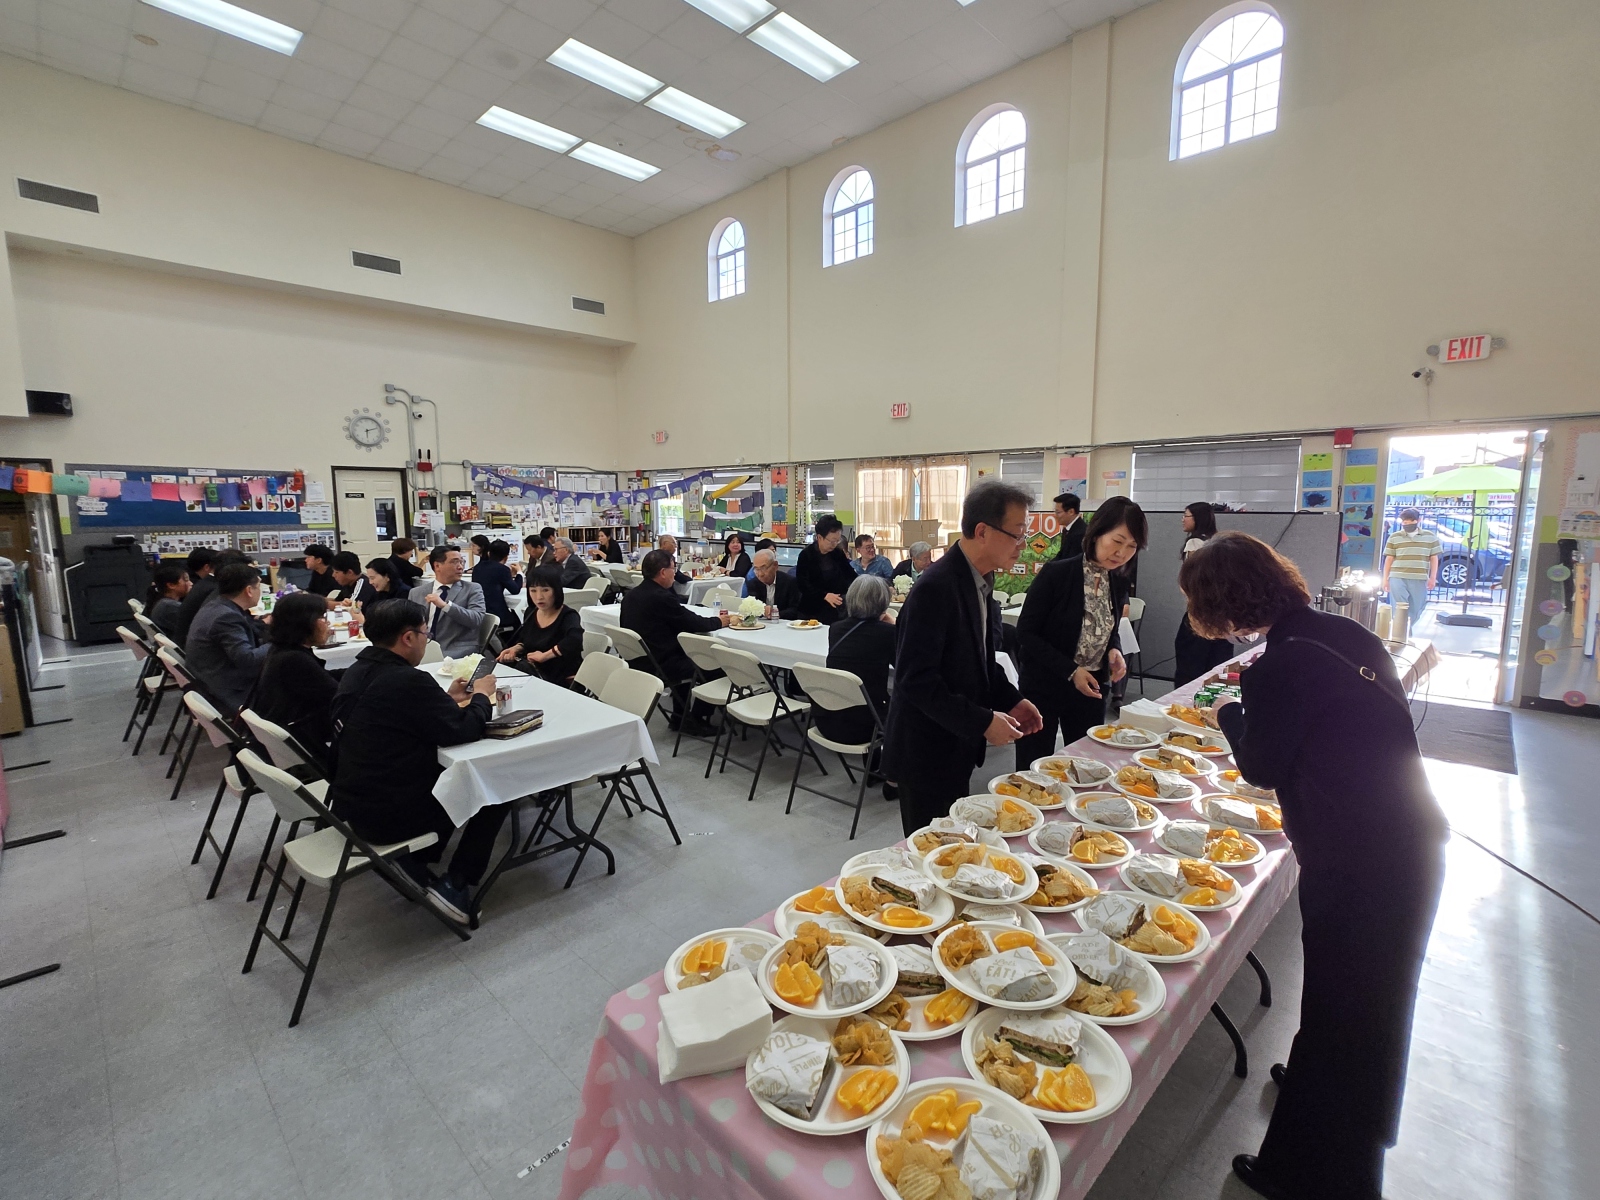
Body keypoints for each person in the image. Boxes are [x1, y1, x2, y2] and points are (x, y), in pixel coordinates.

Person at [1179, 533, 1447, 1200]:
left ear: (1223, 604)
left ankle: (1309, 1174)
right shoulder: (1342, 633)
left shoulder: (1279, 666)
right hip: (1407, 841)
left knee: (1348, 1013)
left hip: (1361, 861)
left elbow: (1262, 765)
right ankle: (1323, 1100)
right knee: (1362, 1005)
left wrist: (1229, 712)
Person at [327, 599, 505, 923]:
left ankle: (416, 860)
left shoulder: (358, 670)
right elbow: (463, 730)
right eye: (426, 633)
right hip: (389, 815)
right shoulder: (407, 680)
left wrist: (445, 700)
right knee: (496, 783)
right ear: (408, 638)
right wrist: (481, 695)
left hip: (351, 801)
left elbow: (402, 716)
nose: (427, 640)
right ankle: (456, 883)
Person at [881, 480, 1043, 835]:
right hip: (925, 750)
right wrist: (983, 721)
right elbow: (916, 681)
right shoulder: (936, 588)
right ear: (982, 531)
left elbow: (980, 662)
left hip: (954, 746)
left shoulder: (979, 581)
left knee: (955, 840)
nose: (1023, 545)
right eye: (1017, 534)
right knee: (933, 850)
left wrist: (1013, 700)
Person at [1013, 496, 1147, 769]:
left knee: (1085, 765)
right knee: (1034, 767)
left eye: (1132, 546)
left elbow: (1108, 626)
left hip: (1091, 689)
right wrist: (1072, 671)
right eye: (1117, 541)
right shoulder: (1057, 573)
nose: (1122, 553)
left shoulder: (1117, 578)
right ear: (1097, 533)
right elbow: (1026, 633)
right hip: (1045, 686)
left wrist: (1114, 649)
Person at [620, 548, 732, 731]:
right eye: (674, 568)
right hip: (661, 663)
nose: (675, 573)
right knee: (713, 664)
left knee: (687, 656)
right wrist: (719, 621)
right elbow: (692, 622)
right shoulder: (660, 597)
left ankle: (679, 717)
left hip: (639, 660)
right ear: (663, 572)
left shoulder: (631, 595)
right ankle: (697, 718)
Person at [253, 591, 338, 759]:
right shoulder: (294, 660)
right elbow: (336, 695)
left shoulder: (281, 650)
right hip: (301, 740)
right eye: (322, 618)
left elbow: (321, 678)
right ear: (305, 623)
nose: (327, 623)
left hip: (286, 732)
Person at [817, 575, 897, 751]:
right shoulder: (888, 633)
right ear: (883, 603)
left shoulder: (836, 629)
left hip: (826, 720)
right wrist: (896, 627)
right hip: (867, 726)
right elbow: (904, 667)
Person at [185, 562, 271, 713]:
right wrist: (282, 641)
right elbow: (249, 659)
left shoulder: (217, 605)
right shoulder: (226, 617)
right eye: (258, 586)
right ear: (249, 590)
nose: (260, 591)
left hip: (211, 679)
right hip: (232, 690)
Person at [1173, 501, 1235, 684]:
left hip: (1200, 612)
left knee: (1190, 664)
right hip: (1222, 613)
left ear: (1197, 518)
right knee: (1216, 664)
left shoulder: (1194, 543)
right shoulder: (1218, 542)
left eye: (1186, 515)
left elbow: (1191, 580)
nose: (1182, 519)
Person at [498, 566, 584, 684]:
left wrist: (545, 656)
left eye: (545, 590)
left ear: (556, 590)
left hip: (561, 678)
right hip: (534, 674)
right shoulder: (531, 612)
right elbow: (526, 639)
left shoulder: (568, 615)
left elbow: (575, 640)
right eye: (533, 591)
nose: (539, 597)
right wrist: (515, 649)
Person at [408, 545, 487, 659]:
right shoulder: (416, 592)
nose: (460, 567)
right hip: (422, 648)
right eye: (455, 562)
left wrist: (446, 606)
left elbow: (476, 619)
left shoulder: (472, 589)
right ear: (437, 566)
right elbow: (409, 624)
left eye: (462, 562)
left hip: (455, 649)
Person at [1382, 507, 1441, 627]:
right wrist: (1385, 579)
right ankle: (1401, 632)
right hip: (1397, 576)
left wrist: (1432, 577)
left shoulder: (1430, 537)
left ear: (1418, 520)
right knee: (1399, 607)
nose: (1407, 524)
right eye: (1405, 522)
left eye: (1411, 521)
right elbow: (1389, 559)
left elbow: (1434, 558)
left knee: (1417, 607)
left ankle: (1406, 628)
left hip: (1419, 577)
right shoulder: (1394, 537)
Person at [796, 515, 855, 624]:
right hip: (812, 610)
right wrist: (824, 595)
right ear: (819, 537)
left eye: (837, 541)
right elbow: (803, 585)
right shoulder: (806, 555)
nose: (835, 544)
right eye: (832, 541)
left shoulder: (838, 553)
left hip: (836, 609)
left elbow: (850, 575)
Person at [471, 538, 524, 632]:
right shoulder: (502, 569)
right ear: (506, 557)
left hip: (479, 611)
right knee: (520, 621)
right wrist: (519, 572)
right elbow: (515, 590)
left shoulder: (477, 567)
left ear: (489, 553)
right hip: (497, 614)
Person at [174, 547, 218, 645]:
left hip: (187, 640)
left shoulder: (201, 584)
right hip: (195, 644)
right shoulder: (211, 587)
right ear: (207, 567)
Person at [742, 548, 801, 619]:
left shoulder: (790, 582)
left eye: (763, 568)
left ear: (775, 565)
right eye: (756, 569)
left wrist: (775, 613)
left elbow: (795, 610)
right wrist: (762, 609)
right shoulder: (753, 583)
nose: (760, 574)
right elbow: (752, 606)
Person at [146, 562, 191, 639]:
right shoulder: (169, 607)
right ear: (171, 585)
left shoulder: (162, 602)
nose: (191, 583)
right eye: (186, 580)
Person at [1054, 493, 1085, 559]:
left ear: (1071, 512)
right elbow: (1061, 555)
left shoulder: (1080, 533)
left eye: (1058, 512)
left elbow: (1073, 560)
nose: (1055, 515)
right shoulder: (1067, 530)